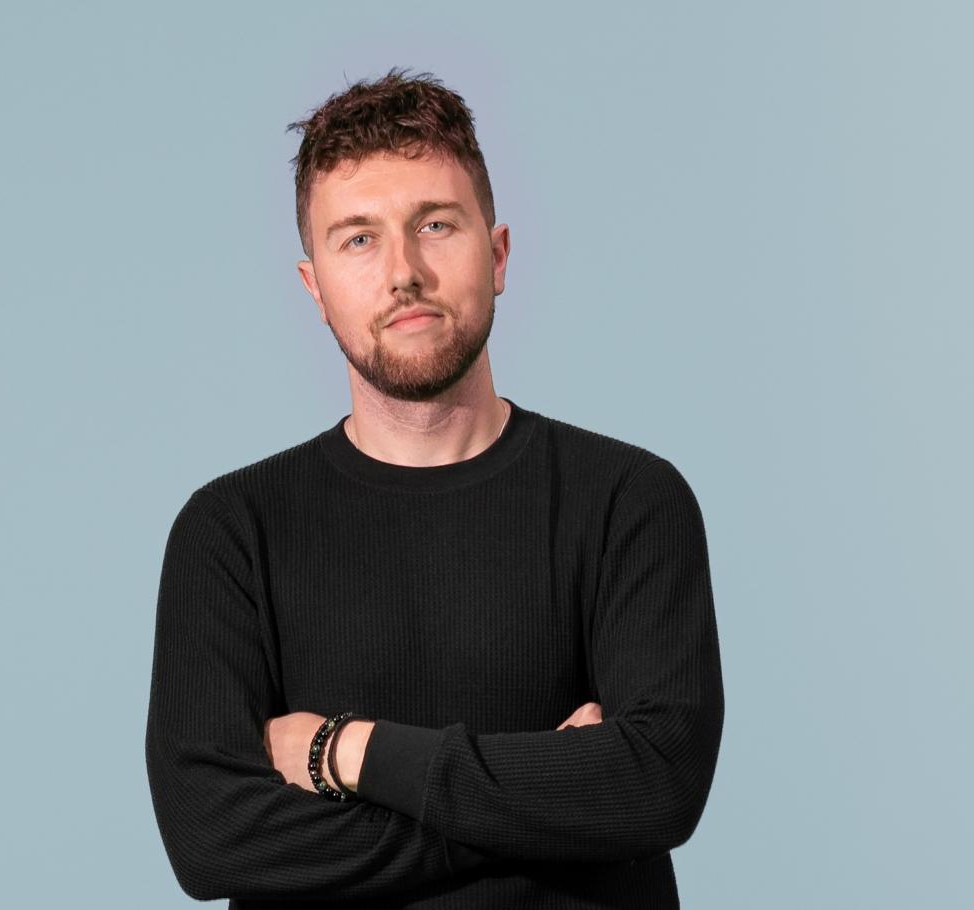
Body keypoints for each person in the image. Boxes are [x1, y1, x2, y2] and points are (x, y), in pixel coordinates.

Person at [145, 66, 724, 908]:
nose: (403, 271)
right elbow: (212, 841)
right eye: (358, 239)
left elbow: (655, 786)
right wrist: (544, 804)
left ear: (497, 255)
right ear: (315, 289)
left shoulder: (628, 500)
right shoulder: (231, 531)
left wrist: (347, 753)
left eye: (436, 225)